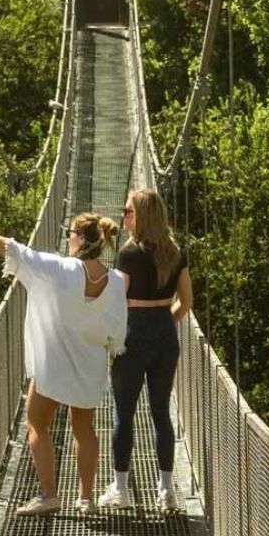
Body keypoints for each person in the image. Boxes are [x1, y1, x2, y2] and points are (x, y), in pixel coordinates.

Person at [0, 213, 127, 515]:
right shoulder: (116, 282)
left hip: (53, 365)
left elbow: (14, 249)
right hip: (90, 366)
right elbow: (117, 332)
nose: (68, 238)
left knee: (36, 423)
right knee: (84, 429)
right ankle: (86, 499)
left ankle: (49, 495)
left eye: (70, 233)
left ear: (81, 239)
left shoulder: (58, 268)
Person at [98, 189, 192, 512]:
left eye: (129, 212)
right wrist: (164, 322)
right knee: (161, 412)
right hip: (165, 336)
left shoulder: (128, 254)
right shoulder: (175, 252)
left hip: (133, 335)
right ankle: (166, 491)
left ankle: (121, 489)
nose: (124, 216)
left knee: (124, 414)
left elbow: (116, 302)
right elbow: (187, 301)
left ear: (143, 216)